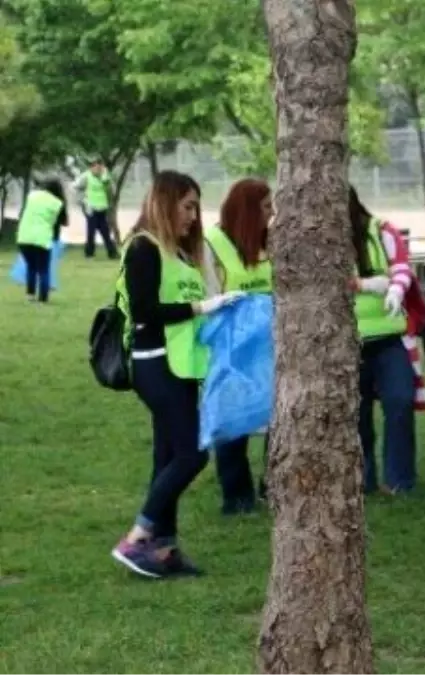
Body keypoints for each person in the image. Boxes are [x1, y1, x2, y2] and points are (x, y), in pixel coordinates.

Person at [110, 171, 245, 579]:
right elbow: (146, 312)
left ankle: (163, 550)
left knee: (167, 456)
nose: (192, 215)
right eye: (187, 206)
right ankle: (138, 537)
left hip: (183, 366)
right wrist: (205, 308)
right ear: (166, 203)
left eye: (195, 207)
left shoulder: (181, 253)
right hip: (155, 364)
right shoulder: (143, 249)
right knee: (192, 454)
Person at [201, 178, 274, 515]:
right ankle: (237, 496)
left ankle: (274, 486)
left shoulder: (273, 242)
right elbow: (209, 295)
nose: (271, 214)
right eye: (265, 207)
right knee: (233, 420)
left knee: (278, 418)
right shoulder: (212, 244)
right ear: (247, 210)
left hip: (271, 345)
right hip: (233, 347)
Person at [349, 186, 420, 495]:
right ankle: (363, 479)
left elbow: (402, 267)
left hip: (388, 337)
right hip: (347, 342)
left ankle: (400, 479)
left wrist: (393, 288)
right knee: (357, 414)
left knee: (400, 401)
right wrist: (370, 284)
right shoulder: (320, 238)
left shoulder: (381, 230)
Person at [15, 178, 67, 303]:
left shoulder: (32, 196)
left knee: (31, 267)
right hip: (42, 238)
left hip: (23, 237)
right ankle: (43, 298)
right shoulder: (58, 203)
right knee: (43, 269)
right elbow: (63, 221)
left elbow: (23, 213)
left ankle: (30, 295)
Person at [74, 159, 118, 259]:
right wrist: (82, 200)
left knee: (105, 231)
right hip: (90, 208)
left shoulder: (105, 176)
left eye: (100, 168)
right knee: (91, 231)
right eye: (96, 167)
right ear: (91, 167)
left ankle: (112, 253)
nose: (98, 170)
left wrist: (105, 176)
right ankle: (89, 253)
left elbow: (111, 190)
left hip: (102, 208)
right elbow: (75, 186)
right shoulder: (86, 176)